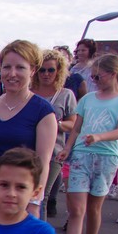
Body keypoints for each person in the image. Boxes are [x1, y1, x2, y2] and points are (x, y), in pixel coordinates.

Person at [56, 54, 118, 234]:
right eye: (93, 76)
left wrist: (99, 137)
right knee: (76, 209)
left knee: (93, 208)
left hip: (106, 156)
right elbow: (77, 128)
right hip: (82, 155)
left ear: (113, 74)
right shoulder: (88, 99)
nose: (94, 80)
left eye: (98, 76)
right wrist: (67, 148)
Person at [0, 40, 58, 219]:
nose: (12, 74)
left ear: (32, 70)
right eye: (7, 67)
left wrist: (34, 203)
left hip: (21, 196)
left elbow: (43, 162)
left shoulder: (43, 111)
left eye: (20, 68)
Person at [31, 49, 77, 219]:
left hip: (53, 152)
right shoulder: (29, 92)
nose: (46, 74)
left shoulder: (66, 95)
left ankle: (39, 232)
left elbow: (73, 124)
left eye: (51, 70)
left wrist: (54, 124)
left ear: (59, 71)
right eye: (42, 70)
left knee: (41, 195)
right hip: (27, 149)